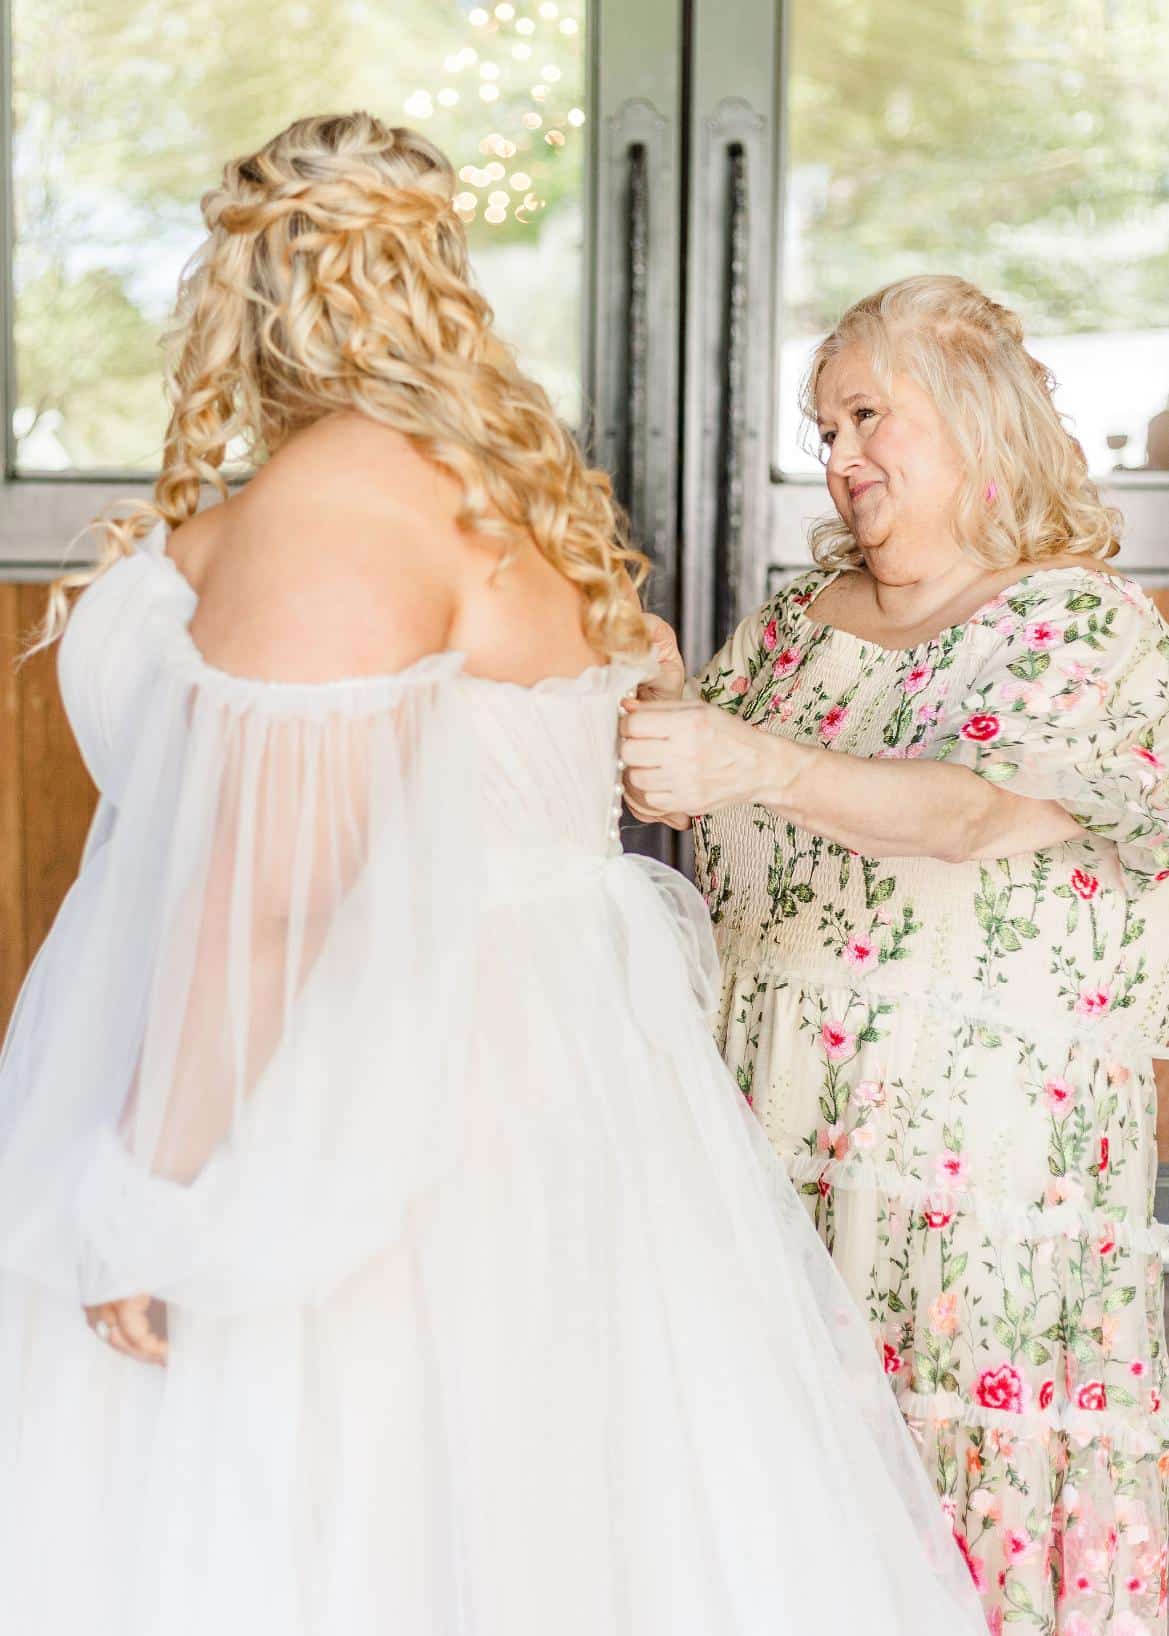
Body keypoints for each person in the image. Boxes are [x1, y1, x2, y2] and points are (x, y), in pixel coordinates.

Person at [0, 119, 984, 1634]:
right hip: (541, 1079)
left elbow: (272, 899)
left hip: (368, 1092)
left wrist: (157, 1191)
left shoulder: (343, 501)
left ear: (248, 289)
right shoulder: (493, 490)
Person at [622, 274, 1169, 1634]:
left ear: (976, 414)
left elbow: (970, 814)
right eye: (822, 431)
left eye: (868, 414)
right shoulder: (794, 631)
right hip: (771, 1143)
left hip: (971, 1181)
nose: (839, 457)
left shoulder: (1081, 627)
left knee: (945, 1494)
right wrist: (651, 695)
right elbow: (703, 796)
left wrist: (747, 755)